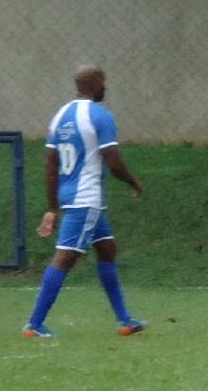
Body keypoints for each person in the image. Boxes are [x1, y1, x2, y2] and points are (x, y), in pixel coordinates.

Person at [23, 65, 146, 340]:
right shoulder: (100, 116)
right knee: (65, 258)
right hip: (86, 198)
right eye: (104, 82)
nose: (106, 88)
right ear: (96, 83)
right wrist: (134, 183)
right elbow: (113, 160)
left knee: (107, 249)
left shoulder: (60, 116)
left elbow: (51, 164)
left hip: (73, 197)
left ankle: (125, 320)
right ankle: (34, 324)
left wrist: (53, 206)